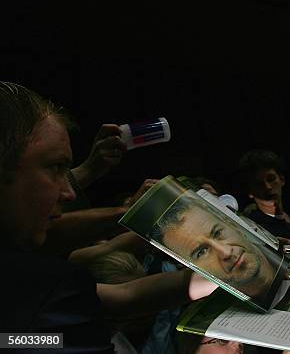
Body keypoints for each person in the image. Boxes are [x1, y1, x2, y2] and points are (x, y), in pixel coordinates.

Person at [0, 82, 217, 352]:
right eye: (55, 167)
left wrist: (238, 273)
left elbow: (126, 296)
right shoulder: (47, 292)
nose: (68, 193)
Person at [150, 193, 281, 303]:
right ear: (191, 268)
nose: (226, 252)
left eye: (218, 233)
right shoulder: (215, 328)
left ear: (233, 224)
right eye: (202, 252)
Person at [238, 149, 290, 244]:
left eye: (271, 179)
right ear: (250, 192)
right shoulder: (251, 226)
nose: (267, 187)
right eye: (259, 184)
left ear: (282, 179)